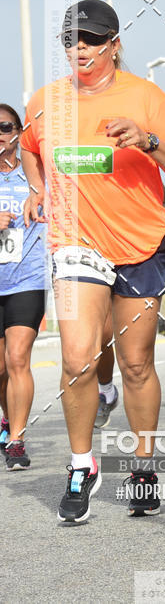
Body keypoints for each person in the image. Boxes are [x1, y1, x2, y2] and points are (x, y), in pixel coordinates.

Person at [21, 0, 165, 522]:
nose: (80, 48)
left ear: (114, 44)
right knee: (77, 358)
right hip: (75, 242)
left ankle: (143, 466)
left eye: (92, 39)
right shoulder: (46, 100)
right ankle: (82, 465)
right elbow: (31, 146)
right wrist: (37, 188)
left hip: (140, 242)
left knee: (136, 362)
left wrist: (146, 141)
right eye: (71, 39)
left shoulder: (145, 96)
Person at [94, 185, 165, 429]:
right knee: (100, 338)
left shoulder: (137, 152)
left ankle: (143, 465)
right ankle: (106, 390)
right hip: (89, 251)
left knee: (136, 363)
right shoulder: (79, 153)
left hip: (137, 256)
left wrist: (146, 223)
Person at [0, 104, 48, 470]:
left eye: (5, 127)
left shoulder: (34, 176)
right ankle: (7, 420)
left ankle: (16, 439)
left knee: (18, 358)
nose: (0, 135)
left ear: (18, 131)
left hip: (27, 279)